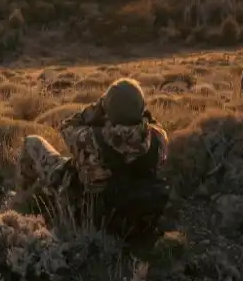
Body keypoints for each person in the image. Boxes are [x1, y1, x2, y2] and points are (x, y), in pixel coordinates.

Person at [17, 77, 170, 237]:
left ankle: (22, 201)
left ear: (108, 110)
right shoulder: (158, 139)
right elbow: (152, 123)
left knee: (32, 142)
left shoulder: (91, 139)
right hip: (134, 215)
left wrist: (98, 108)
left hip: (89, 214)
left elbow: (67, 125)